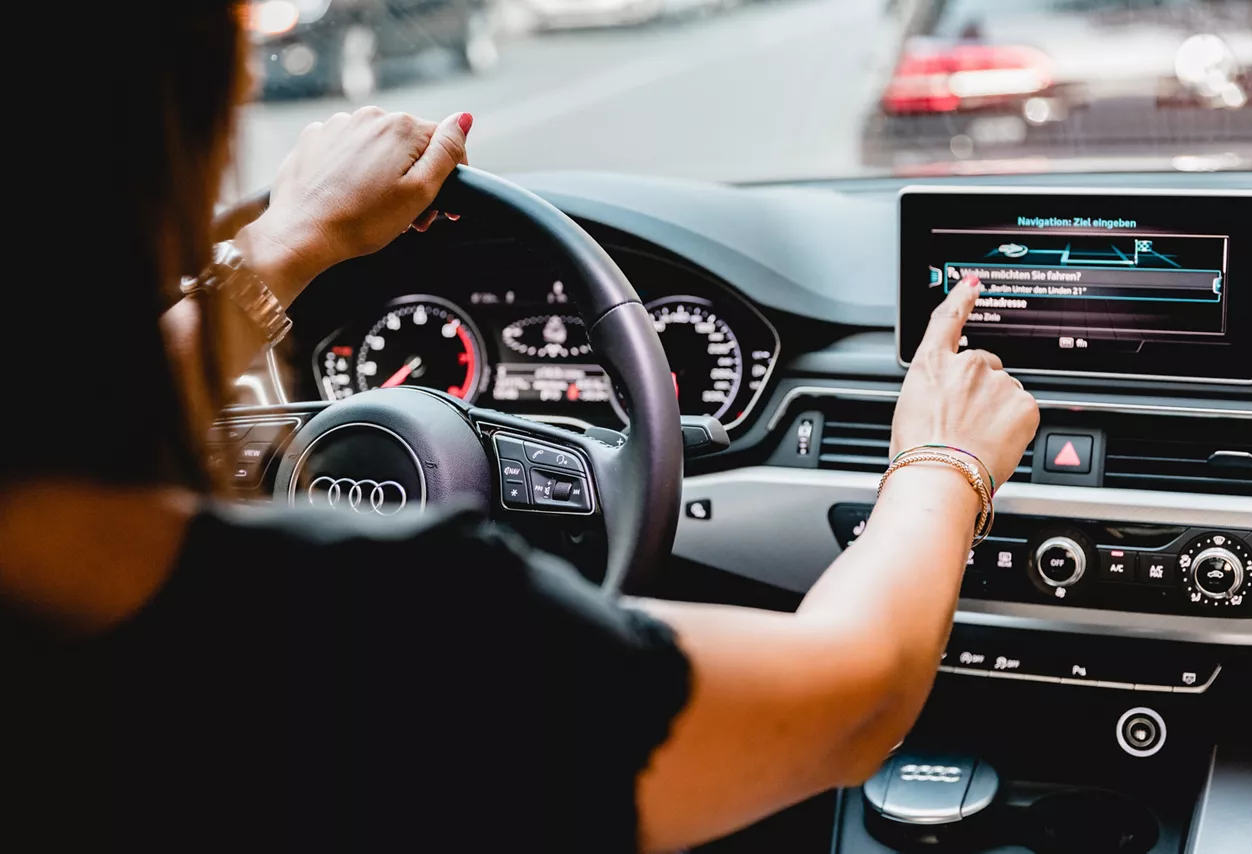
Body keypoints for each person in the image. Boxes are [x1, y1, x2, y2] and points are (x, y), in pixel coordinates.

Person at [0, 4, 1039, 852]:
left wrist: (287, 241)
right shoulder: (370, 626)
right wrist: (941, 462)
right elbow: (855, 698)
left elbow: (89, 392)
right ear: (190, 124)